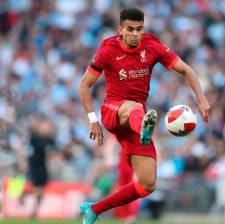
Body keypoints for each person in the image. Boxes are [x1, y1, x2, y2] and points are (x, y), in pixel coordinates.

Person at [79, 7, 210, 224]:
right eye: (130, 29)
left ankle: (94, 209)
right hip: (114, 112)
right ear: (120, 29)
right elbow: (85, 86)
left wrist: (201, 98)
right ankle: (145, 128)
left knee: (148, 184)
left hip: (136, 122)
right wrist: (92, 120)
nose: (134, 34)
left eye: (139, 29)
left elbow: (186, 70)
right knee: (134, 107)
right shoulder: (108, 48)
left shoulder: (152, 46)